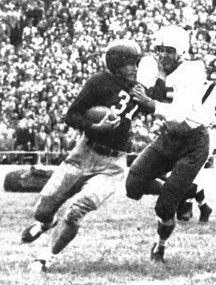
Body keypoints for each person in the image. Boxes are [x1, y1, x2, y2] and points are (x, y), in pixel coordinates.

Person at [21, 39, 149, 272]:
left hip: (113, 164)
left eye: (136, 63)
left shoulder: (141, 87)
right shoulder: (99, 82)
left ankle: (46, 257)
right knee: (43, 208)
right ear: (116, 63)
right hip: (84, 152)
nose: (134, 68)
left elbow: (159, 105)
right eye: (129, 63)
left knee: (77, 209)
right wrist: (94, 128)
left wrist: (148, 101)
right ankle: (46, 223)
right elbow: (71, 115)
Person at [124, 26, 216, 263]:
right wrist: (150, 84)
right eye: (160, 49)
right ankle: (184, 190)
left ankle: (159, 247)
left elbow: (178, 113)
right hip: (168, 138)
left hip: (193, 142)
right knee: (133, 184)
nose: (163, 55)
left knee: (164, 207)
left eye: (169, 51)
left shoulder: (194, 70)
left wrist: (150, 102)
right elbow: (148, 98)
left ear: (181, 52)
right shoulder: (156, 67)